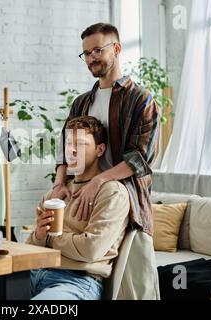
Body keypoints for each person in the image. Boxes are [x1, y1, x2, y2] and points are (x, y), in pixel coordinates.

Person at [0, 116, 129, 300]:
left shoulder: (111, 193)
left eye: (80, 144)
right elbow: (31, 249)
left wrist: (51, 237)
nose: (71, 150)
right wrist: (39, 235)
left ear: (100, 149)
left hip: (76, 281)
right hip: (33, 274)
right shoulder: (54, 195)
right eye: (68, 143)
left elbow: (91, 250)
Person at [52, 23, 161, 299]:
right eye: (86, 54)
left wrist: (100, 180)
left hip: (127, 202)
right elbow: (64, 146)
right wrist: (59, 183)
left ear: (116, 49)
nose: (91, 59)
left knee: (134, 289)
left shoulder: (142, 100)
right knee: (88, 269)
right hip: (84, 195)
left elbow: (140, 158)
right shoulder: (81, 102)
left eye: (97, 50)